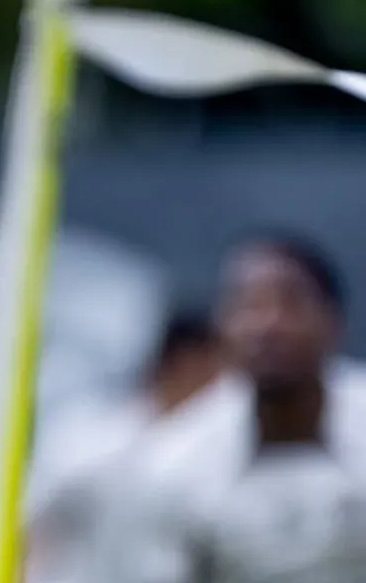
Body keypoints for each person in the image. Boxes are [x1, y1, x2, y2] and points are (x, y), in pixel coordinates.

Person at [91, 232, 366, 583]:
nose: (268, 325)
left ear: (333, 320)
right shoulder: (173, 466)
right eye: (249, 306)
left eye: (290, 302)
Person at [23, 308, 224, 583]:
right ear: (181, 364)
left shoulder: (218, 452)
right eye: (215, 371)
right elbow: (25, 525)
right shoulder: (92, 442)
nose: (225, 388)